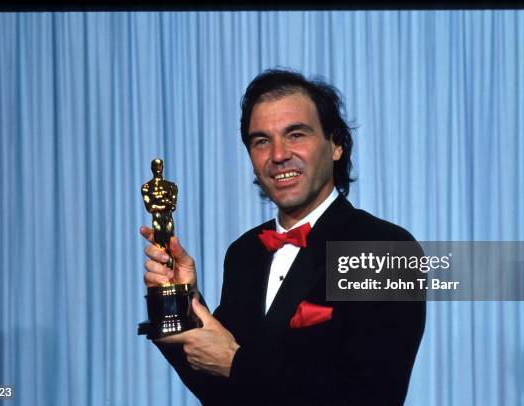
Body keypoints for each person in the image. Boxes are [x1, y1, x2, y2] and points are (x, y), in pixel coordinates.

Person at [140, 69, 426, 405]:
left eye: (296, 135)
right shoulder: (244, 252)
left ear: (335, 145)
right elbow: (220, 389)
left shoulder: (384, 249)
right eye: (261, 140)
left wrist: (236, 362)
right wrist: (181, 300)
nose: (278, 155)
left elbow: (369, 395)